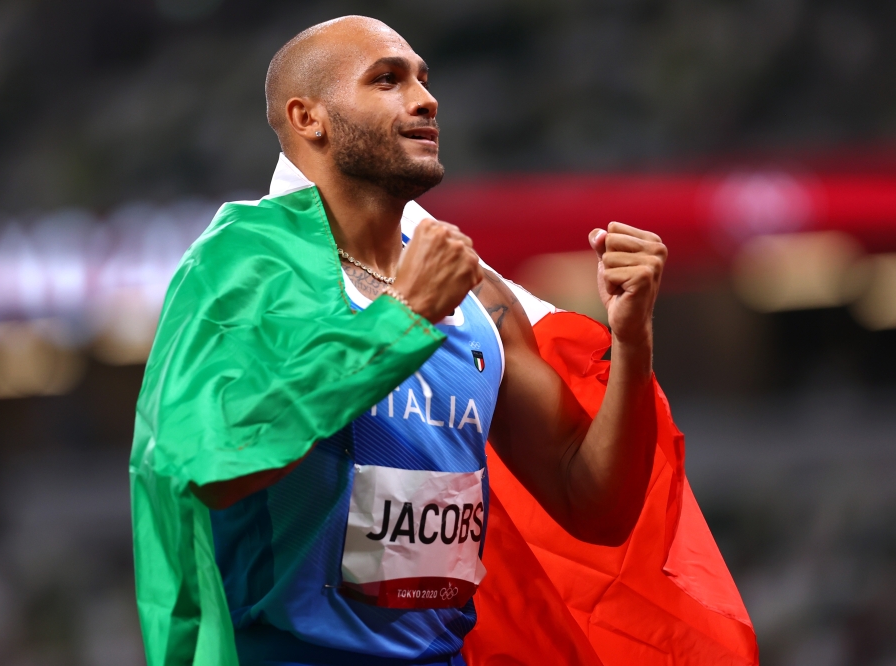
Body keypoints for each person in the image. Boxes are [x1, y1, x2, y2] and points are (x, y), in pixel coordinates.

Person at [130, 15, 668, 666]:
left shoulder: (477, 299)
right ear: (309, 119)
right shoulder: (244, 267)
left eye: (422, 78)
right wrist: (404, 319)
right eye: (387, 80)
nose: (424, 97)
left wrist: (632, 342)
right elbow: (216, 466)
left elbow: (594, 506)